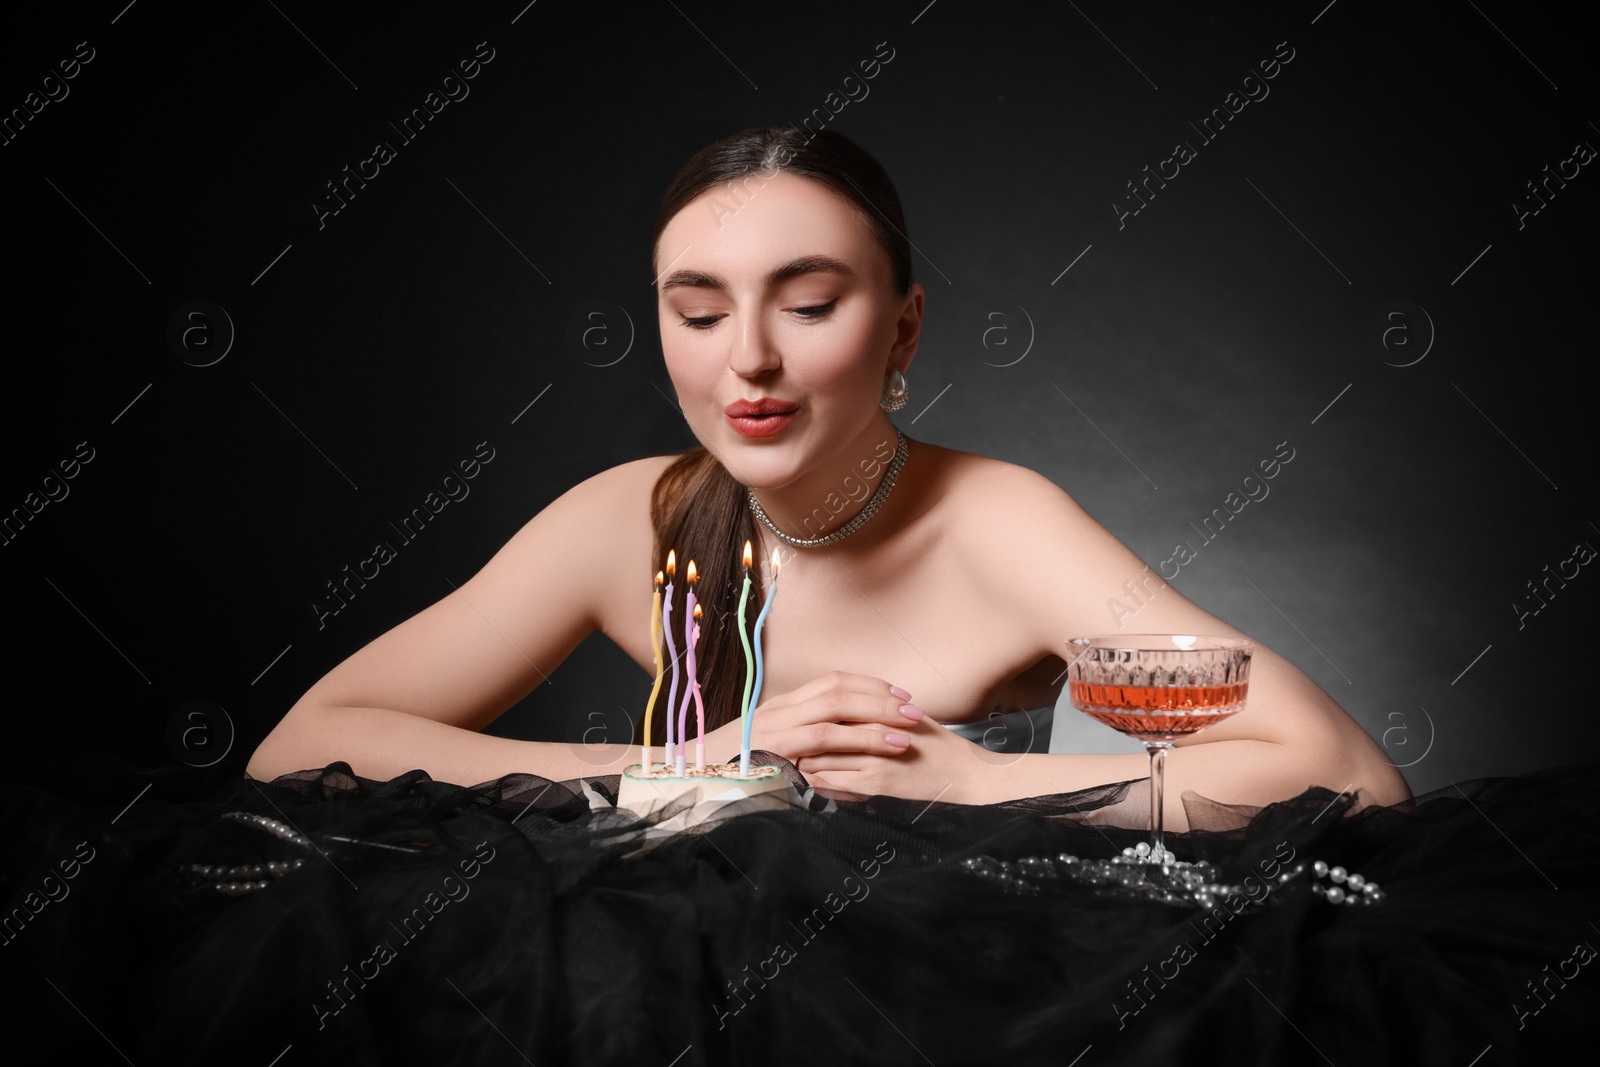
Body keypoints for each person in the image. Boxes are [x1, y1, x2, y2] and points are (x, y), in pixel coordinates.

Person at [247, 126, 1410, 825]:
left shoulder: (999, 528)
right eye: (697, 312)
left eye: (806, 305)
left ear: (903, 333)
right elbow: (302, 745)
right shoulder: (626, 524)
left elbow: (1342, 774)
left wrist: (960, 785)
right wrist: (690, 766)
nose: (748, 356)